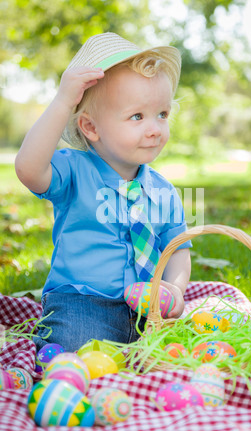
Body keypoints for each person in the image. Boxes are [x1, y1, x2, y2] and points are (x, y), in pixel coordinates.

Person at [15, 32, 192, 352]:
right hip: (84, 302)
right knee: (75, 346)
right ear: (91, 128)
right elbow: (28, 169)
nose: (155, 128)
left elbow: (177, 249)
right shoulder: (74, 171)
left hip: (147, 311)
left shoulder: (163, 191)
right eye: (137, 116)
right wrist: (63, 101)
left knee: (179, 352)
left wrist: (175, 291)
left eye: (162, 114)